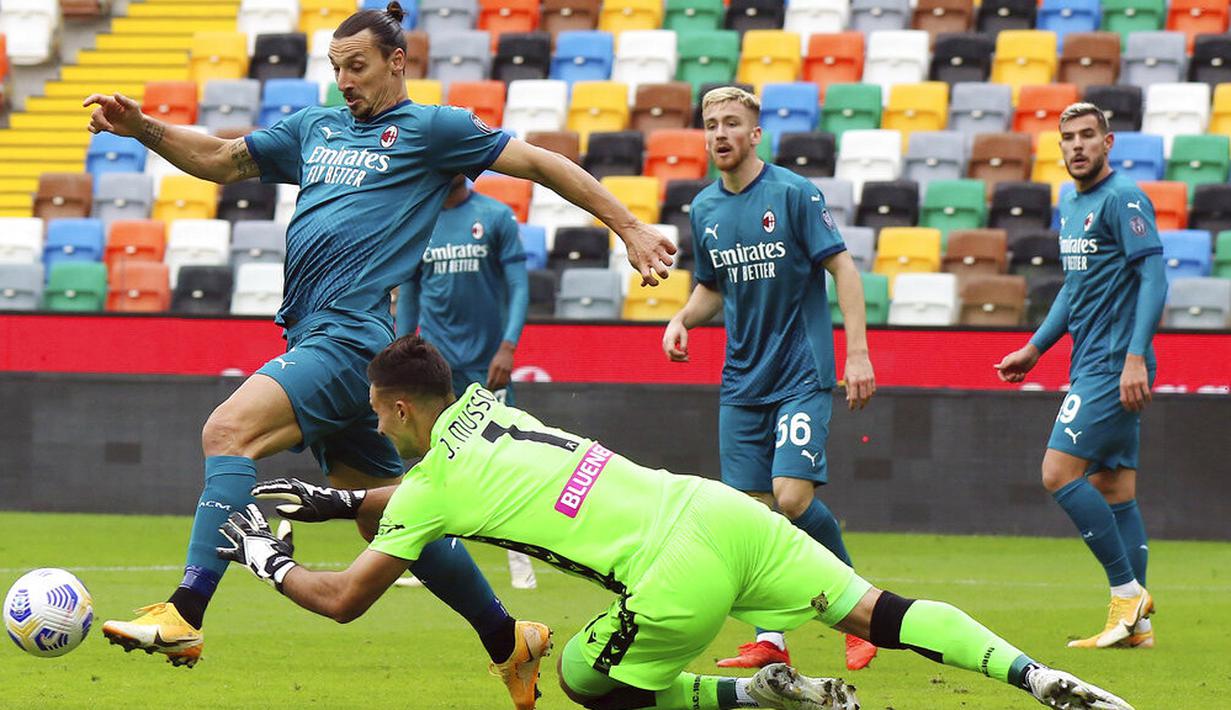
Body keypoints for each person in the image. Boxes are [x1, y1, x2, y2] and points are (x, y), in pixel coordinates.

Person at [86, 3, 673, 701]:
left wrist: (629, 227)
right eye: (335, 68)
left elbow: (540, 163)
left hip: (349, 331)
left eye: (357, 66)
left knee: (227, 431)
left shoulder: (434, 131)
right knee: (381, 513)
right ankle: (505, 637)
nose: (344, 81)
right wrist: (142, 129)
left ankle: (185, 611)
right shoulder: (314, 127)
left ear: (398, 62)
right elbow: (220, 158)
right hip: (315, 336)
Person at [221, 335, 1135, 710]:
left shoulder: (426, 489)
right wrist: (342, 500)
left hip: (668, 581)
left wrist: (264, 557)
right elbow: (467, 488)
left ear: (399, 411)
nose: (377, 429)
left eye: (380, 417)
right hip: (713, 508)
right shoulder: (488, 408)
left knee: (582, 679)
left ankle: (750, 696)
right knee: (875, 610)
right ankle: (1037, 676)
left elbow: (342, 599)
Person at [660, 86, 877, 671]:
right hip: (741, 384)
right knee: (751, 514)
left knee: (790, 497)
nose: (721, 133)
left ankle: (862, 614)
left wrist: (857, 354)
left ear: (756, 135)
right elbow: (711, 287)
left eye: (732, 123)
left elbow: (844, 269)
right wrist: (682, 317)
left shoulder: (793, 193)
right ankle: (771, 640)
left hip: (801, 374)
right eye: (711, 125)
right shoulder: (704, 209)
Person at [995, 103, 1165, 650]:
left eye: (1087, 136)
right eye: (1067, 138)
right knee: (1113, 485)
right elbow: (1075, 287)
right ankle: (1136, 626)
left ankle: (1126, 593)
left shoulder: (1124, 198)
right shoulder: (1070, 203)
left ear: (1108, 142)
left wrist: (1136, 356)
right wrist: (1035, 347)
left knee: (1057, 472)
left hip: (1115, 364)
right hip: (1089, 360)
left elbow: (1155, 277)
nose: (1076, 146)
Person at [396, 173, 537, 588]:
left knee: (506, 456)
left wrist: (508, 346)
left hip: (487, 360)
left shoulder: (494, 216)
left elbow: (518, 285)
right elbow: (411, 292)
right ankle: (432, 562)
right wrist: (407, 348)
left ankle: (522, 561)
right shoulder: (418, 222)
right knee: (436, 460)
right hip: (438, 363)